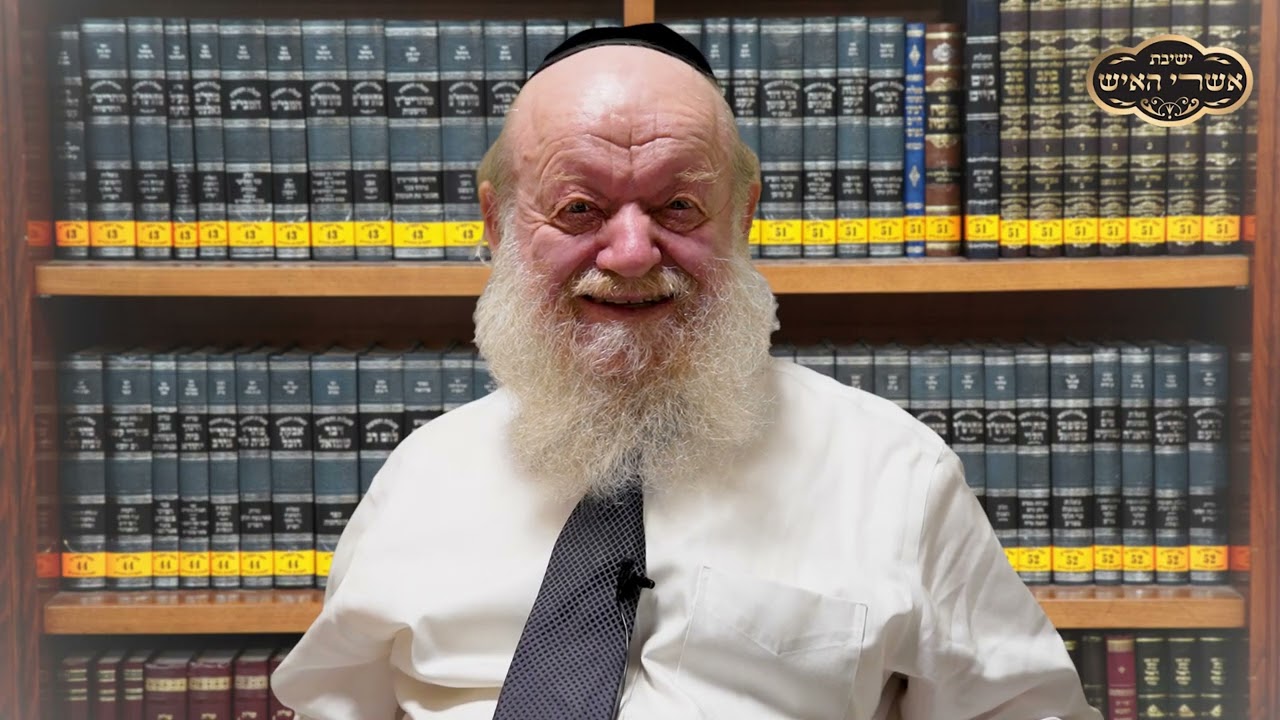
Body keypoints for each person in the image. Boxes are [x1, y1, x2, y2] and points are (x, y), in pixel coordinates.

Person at [272, 24, 1099, 720]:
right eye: (579, 209)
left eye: (679, 206)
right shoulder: (420, 477)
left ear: (742, 215)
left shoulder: (894, 473)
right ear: (498, 223)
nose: (632, 254)